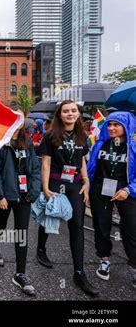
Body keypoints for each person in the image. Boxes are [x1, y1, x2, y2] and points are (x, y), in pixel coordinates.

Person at [37, 100, 99, 297]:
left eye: (73, 111)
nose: (70, 114)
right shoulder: (50, 136)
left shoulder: (83, 135)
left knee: (77, 226)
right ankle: (41, 249)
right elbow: (45, 163)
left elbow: (81, 159)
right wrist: (45, 188)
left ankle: (79, 272)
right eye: (66, 111)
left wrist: (87, 181)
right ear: (60, 115)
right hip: (55, 182)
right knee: (50, 218)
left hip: (75, 185)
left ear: (78, 114)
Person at [0, 108, 41, 296]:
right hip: (5, 195)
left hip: (24, 197)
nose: (18, 122)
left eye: (21, 119)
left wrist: (34, 192)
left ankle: (20, 273)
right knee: (0, 224)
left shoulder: (27, 143)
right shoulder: (0, 143)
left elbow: (35, 169)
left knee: (21, 232)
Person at [87, 112, 136, 289]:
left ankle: (134, 266)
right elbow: (91, 168)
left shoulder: (134, 146)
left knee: (131, 228)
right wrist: (88, 189)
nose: (111, 128)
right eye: (109, 124)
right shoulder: (101, 143)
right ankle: (104, 259)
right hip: (101, 188)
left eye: (116, 125)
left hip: (126, 191)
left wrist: (129, 189)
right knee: (101, 225)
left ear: (126, 126)